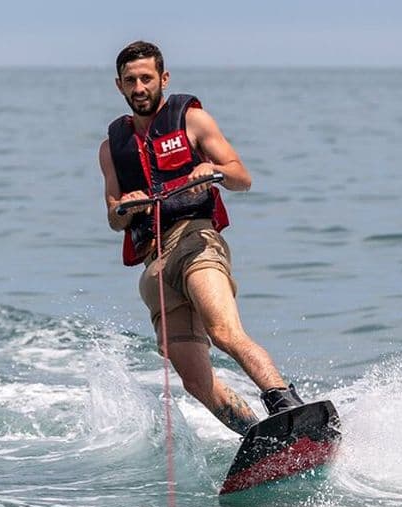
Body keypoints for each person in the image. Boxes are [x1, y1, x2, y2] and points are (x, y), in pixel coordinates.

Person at [99, 41, 303, 436]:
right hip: (154, 266)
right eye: (130, 81)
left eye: (146, 78)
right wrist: (126, 206)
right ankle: (257, 438)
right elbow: (112, 218)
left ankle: (285, 403)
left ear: (163, 78)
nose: (139, 87)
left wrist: (212, 170)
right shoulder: (111, 148)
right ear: (119, 86)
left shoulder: (192, 120)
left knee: (224, 331)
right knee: (195, 380)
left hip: (196, 241)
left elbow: (243, 178)